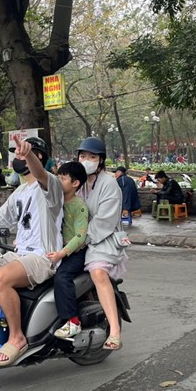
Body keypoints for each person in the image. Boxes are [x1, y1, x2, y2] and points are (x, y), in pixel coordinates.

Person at [0, 137, 64, 366]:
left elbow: (40, 173)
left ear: (38, 156)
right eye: (15, 154)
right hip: (20, 253)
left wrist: (30, 155)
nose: (16, 158)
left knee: (0, 279)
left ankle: (17, 337)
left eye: (20, 154)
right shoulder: (21, 191)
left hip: (43, 256)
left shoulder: (50, 186)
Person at [75, 137, 127, 351]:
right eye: (83, 156)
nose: (87, 160)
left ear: (101, 161)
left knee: (98, 273)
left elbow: (104, 222)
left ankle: (114, 330)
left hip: (102, 240)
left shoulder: (109, 184)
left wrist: (81, 240)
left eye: (92, 157)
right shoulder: (76, 181)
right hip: (77, 239)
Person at [34, 160, 89, 339]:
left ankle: (73, 321)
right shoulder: (54, 201)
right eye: (57, 177)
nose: (57, 181)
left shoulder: (79, 206)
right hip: (57, 250)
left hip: (75, 253)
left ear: (75, 184)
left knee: (62, 277)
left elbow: (80, 236)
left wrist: (62, 253)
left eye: (62, 178)